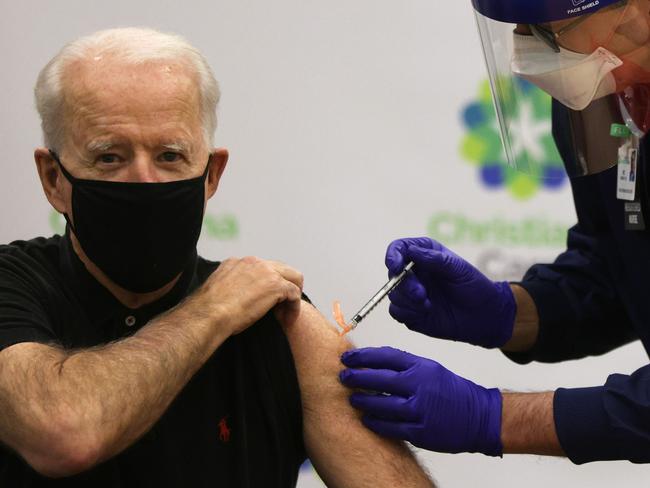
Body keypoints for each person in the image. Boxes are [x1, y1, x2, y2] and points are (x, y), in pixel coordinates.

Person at [0, 27, 434, 487]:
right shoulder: (15, 285)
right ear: (53, 178)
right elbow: (62, 432)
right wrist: (213, 311)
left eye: (170, 155)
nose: (146, 182)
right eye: (109, 157)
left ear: (211, 175)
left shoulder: (274, 324)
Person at [340, 0, 650, 465]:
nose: (527, 50)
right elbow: (621, 269)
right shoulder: (603, 97)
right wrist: (511, 312)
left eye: (547, 30)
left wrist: (493, 415)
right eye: (516, 29)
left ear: (638, 11)